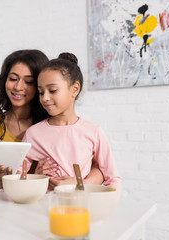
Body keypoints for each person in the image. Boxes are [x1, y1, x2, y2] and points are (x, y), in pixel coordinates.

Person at [0, 50, 104, 190]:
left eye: (29, 81)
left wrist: (80, 184)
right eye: (13, 79)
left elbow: (97, 167)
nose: (18, 87)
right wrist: (34, 176)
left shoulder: (57, 124)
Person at [19, 52, 121, 191]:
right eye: (41, 92)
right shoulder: (34, 133)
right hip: (45, 207)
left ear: (75, 89)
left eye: (52, 90)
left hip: (81, 206)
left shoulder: (93, 131)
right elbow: (18, 177)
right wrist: (36, 178)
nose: (45, 98)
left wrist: (107, 206)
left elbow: (112, 178)